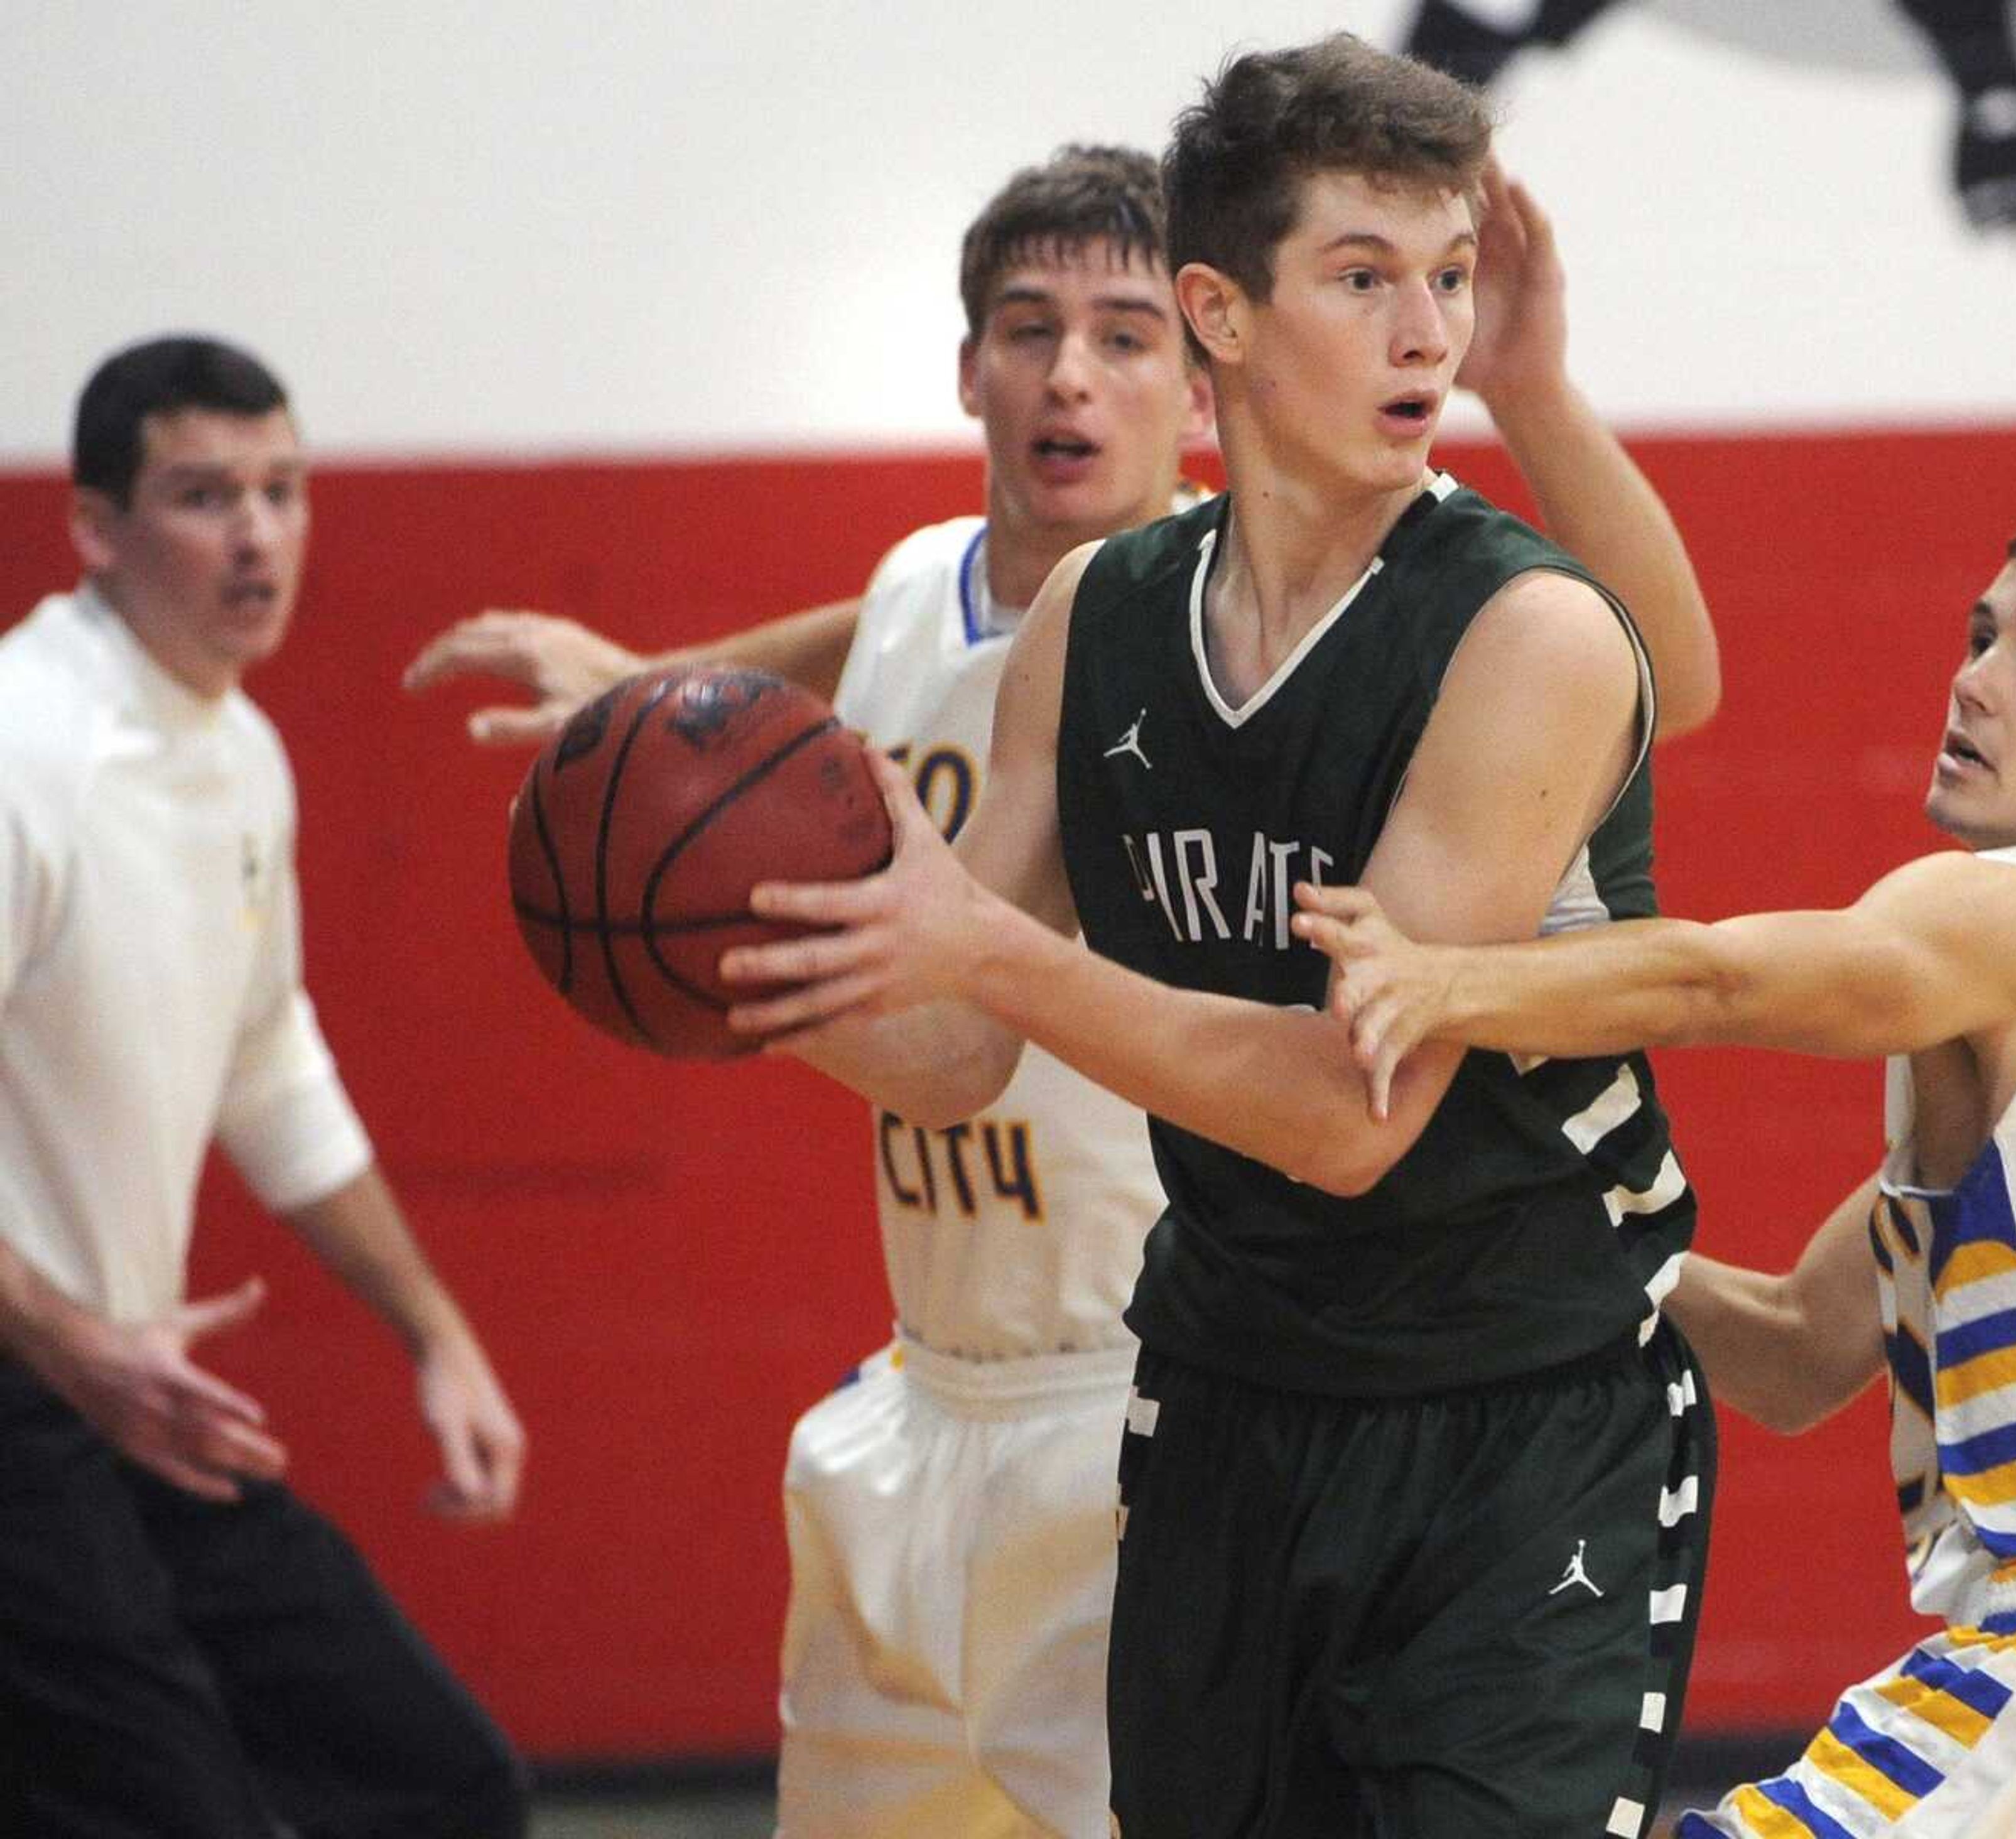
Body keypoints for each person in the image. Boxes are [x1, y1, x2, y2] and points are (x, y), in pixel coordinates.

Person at [408, 128, 1719, 1836]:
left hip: (1139, 1376)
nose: (1070, 378)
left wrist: (1535, 392)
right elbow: (867, 688)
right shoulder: (927, 600)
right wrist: (650, 722)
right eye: (1030, 330)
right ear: (968, 367)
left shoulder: (1294, 605)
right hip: (918, 1393)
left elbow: (1660, 675)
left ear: (1199, 364)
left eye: (1119, 336)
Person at [1293, 502, 2016, 1836]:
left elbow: (1716, 977)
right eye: (1983, 636)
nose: (1975, 680)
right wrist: (1508, 1232)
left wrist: (1440, 980)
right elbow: (1797, 1350)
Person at [0, 337, 528, 1836]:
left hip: (116, 1397)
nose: (255, 535)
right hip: (39, 1394)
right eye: (203, 495)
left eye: (282, 490)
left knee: (437, 1779)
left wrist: (437, 1335)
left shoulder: (240, 754)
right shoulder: (26, 748)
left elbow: (269, 1065)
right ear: (98, 530)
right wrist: (72, 1345)